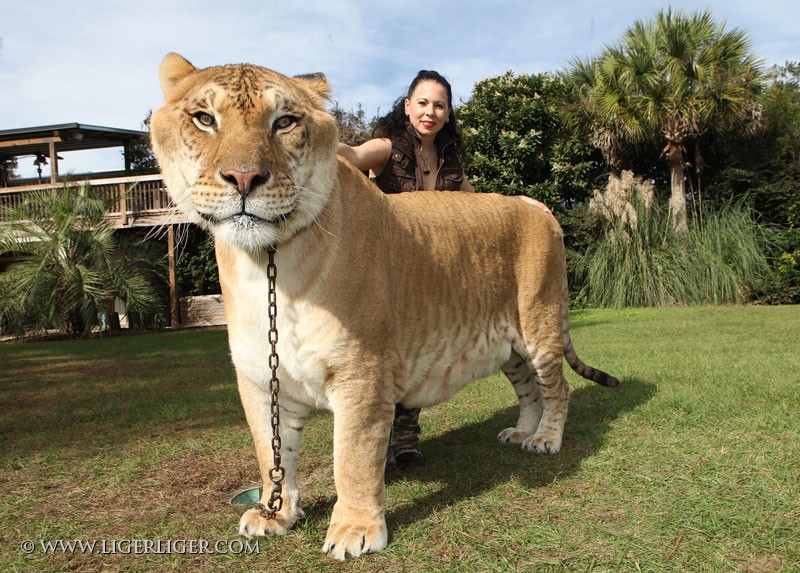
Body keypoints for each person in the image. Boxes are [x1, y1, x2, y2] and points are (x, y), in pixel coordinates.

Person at [337, 70, 552, 471]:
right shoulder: (386, 148)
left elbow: (477, 205)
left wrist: (516, 202)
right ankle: (379, 446)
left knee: (414, 351)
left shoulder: (450, 160)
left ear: (448, 112)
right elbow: (350, 156)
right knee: (384, 355)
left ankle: (405, 440)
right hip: (388, 270)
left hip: (430, 272)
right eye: (422, 103)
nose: (430, 112)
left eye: (439, 105)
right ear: (407, 107)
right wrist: (315, 138)